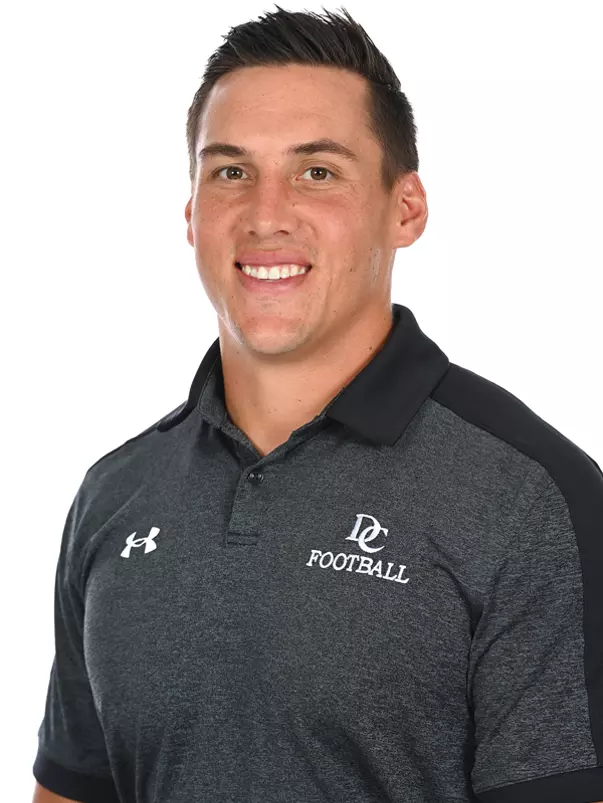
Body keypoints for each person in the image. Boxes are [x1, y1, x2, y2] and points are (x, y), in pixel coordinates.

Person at [32, 5, 603, 803]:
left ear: (404, 209)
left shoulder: (530, 497)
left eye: (317, 171)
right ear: (191, 214)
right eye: (230, 171)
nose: (266, 215)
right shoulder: (116, 495)